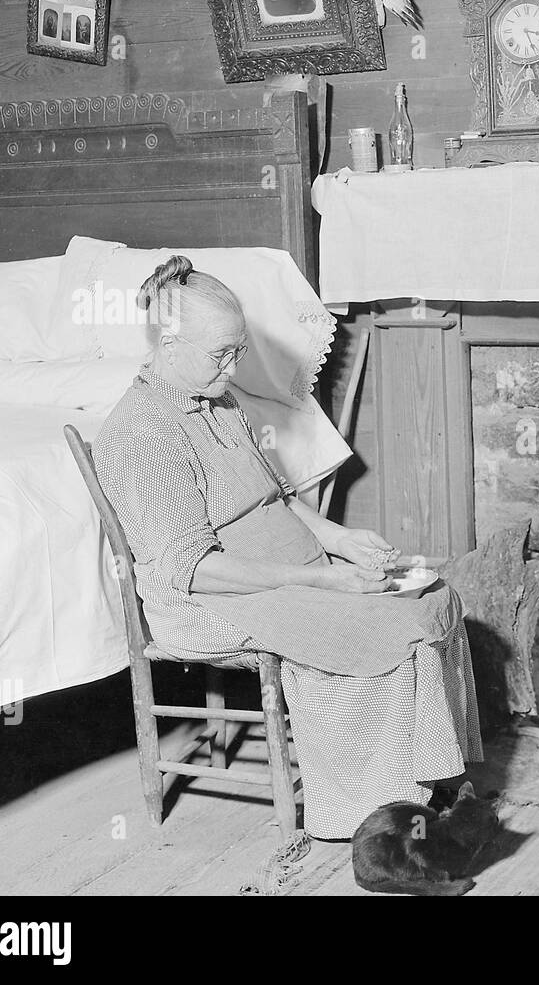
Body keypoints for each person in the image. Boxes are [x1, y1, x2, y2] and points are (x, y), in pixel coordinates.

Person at [93, 256, 482, 838]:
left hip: (291, 569)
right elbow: (194, 571)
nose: (233, 367)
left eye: (238, 350)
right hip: (214, 600)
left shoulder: (217, 400)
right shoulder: (140, 435)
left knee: (430, 601)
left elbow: (276, 496)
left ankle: (429, 783)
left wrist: (339, 539)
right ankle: (378, 822)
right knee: (379, 630)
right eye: (219, 354)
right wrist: (324, 580)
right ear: (168, 344)